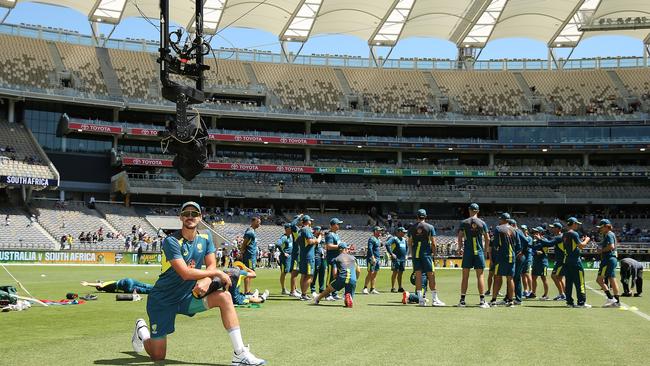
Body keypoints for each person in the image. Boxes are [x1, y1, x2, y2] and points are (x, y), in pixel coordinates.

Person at [130, 201, 265, 365]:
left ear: (200, 217)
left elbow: (211, 264)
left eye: (194, 214)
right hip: (162, 300)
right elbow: (185, 273)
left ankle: (240, 353)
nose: (190, 217)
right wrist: (215, 273)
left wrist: (207, 278)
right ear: (180, 217)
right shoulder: (171, 241)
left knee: (225, 297)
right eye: (186, 213)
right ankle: (142, 331)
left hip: (187, 297)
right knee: (158, 356)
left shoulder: (206, 237)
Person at [407, 209, 444, 307]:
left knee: (418, 276)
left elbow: (409, 242)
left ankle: (420, 299)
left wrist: (412, 253)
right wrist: (434, 255)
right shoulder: (430, 227)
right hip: (426, 254)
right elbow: (434, 243)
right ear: (425, 216)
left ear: (417, 217)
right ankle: (434, 299)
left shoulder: (412, 228)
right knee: (431, 275)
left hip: (416, 255)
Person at [456, 203, 490, 308]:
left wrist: (459, 248)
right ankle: (482, 300)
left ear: (469, 210)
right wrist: (485, 251)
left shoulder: (464, 222)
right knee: (480, 276)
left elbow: (460, 236)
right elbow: (487, 238)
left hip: (468, 252)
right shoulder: (482, 223)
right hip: (478, 252)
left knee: (465, 276)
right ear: (478, 211)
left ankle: (462, 300)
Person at [313, 242, 359, 308]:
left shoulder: (336, 259)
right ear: (345, 249)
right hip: (352, 279)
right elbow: (358, 270)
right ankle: (348, 297)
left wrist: (336, 281)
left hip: (342, 277)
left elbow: (334, 274)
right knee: (348, 297)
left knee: (329, 289)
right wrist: (355, 279)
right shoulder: (353, 258)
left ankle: (317, 299)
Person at [562, 217, 591, 308]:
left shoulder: (565, 234)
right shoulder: (574, 233)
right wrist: (587, 240)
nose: (577, 225)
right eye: (576, 224)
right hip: (575, 261)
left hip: (567, 261)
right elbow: (581, 246)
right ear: (573, 223)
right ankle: (581, 302)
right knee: (580, 282)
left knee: (569, 282)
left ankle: (569, 302)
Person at [489, 213, 516, 307]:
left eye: (500, 219)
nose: (499, 220)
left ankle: (493, 300)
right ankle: (511, 301)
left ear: (503, 220)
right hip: (512, 256)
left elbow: (495, 244)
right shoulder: (514, 229)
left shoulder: (498, 228)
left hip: (501, 257)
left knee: (497, 278)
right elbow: (517, 244)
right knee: (510, 279)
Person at [536, 222, 566, 301]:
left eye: (554, 227)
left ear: (558, 229)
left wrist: (539, 239)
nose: (552, 229)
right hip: (562, 260)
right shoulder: (560, 236)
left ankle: (562, 294)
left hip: (561, 260)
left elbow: (549, 244)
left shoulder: (558, 237)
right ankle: (564, 294)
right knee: (559, 277)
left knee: (554, 276)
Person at [594, 219, 620, 307]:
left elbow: (611, 246)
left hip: (608, 259)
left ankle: (611, 299)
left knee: (600, 280)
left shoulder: (608, 234)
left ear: (606, 226)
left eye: (601, 227)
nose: (600, 229)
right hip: (610, 259)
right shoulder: (609, 234)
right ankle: (616, 301)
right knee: (611, 279)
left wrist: (601, 250)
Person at [296, 215, 322, 301]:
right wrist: (318, 239)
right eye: (310, 220)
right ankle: (303, 294)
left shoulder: (300, 230)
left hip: (303, 256)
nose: (311, 222)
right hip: (308, 256)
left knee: (303, 275)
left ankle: (303, 294)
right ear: (307, 221)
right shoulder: (306, 229)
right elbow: (310, 241)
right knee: (309, 276)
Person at [324, 218, 344, 301]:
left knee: (337, 277)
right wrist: (340, 246)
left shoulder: (336, 235)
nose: (339, 225)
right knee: (330, 277)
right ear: (333, 225)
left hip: (337, 259)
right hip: (332, 259)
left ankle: (334, 293)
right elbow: (328, 246)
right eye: (337, 224)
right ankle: (326, 294)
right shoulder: (330, 235)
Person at [241, 216, 261, 295]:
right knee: (248, 272)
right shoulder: (250, 232)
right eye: (258, 222)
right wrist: (242, 251)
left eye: (259, 222)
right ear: (253, 222)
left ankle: (248, 290)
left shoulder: (253, 231)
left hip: (252, 255)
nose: (259, 224)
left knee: (251, 272)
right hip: (249, 255)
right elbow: (244, 243)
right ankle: (247, 291)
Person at [530, 227, 550, 300]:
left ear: (540, 232)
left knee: (543, 278)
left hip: (543, 262)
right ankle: (533, 293)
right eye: (534, 232)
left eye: (536, 232)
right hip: (535, 262)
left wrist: (540, 252)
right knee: (533, 277)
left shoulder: (544, 240)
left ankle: (546, 295)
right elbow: (532, 250)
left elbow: (545, 250)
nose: (534, 233)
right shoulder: (534, 241)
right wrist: (535, 252)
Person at [386, 227, 408, 293]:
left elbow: (407, 247)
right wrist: (391, 253)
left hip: (402, 259)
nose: (404, 233)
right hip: (396, 259)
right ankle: (393, 287)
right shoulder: (394, 238)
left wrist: (406, 254)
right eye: (403, 232)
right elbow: (387, 244)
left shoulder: (404, 239)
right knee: (395, 272)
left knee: (401, 273)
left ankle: (400, 287)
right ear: (399, 232)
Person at [362, 226, 383, 294]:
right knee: (370, 272)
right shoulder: (371, 239)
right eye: (379, 231)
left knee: (375, 273)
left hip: (377, 258)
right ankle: (365, 288)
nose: (380, 232)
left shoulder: (377, 239)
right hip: (372, 258)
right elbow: (370, 248)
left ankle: (372, 288)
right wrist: (372, 257)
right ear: (375, 231)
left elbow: (380, 245)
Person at [310, 226, 327, 297]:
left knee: (322, 274)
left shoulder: (321, 239)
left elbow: (323, 244)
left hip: (322, 257)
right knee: (315, 274)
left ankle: (321, 289)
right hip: (316, 257)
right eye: (319, 230)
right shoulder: (313, 237)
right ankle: (313, 289)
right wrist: (320, 235)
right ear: (315, 230)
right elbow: (317, 241)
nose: (321, 231)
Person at [289, 215, 303, 298]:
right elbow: (292, 224)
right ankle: (292, 291)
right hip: (296, 254)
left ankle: (295, 289)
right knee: (294, 273)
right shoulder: (295, 230)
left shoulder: (301, 231)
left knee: (296, 272)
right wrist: (297, 217)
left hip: (299, 254)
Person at [81, 278, 154, 294]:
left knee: (142, 290)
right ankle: (157, 287)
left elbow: (99, 285)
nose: (101, 281)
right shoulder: (106, 284)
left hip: (125, 286)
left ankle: (156, 291)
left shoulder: (108, 289)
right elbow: (99, 285)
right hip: (126, 281)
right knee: (144, 285)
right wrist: (88, 283)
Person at [278, 223, 293, 294]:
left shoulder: (290, 237)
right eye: (290, 228)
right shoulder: (283, 237)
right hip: (285, 258)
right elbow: (278, 244)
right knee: (284, 273)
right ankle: (283, 289)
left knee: (293, 272)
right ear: (287, 229)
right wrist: (283, 253)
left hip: (290, 257)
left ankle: (294, 289)